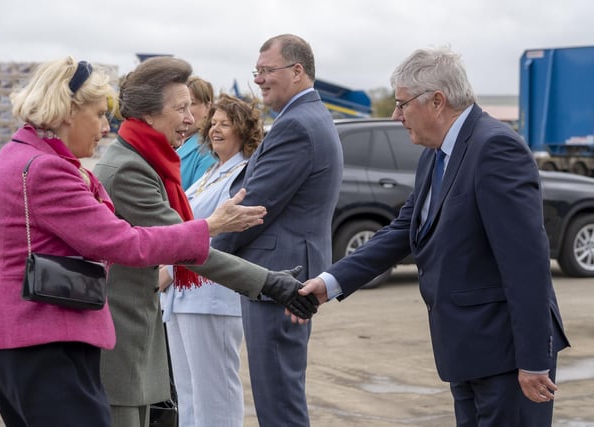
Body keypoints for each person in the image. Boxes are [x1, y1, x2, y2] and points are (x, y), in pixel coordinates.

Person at [0, 57, 269, 427]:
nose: (106, 125)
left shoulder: (23, 155)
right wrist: (211, 226)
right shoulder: (47, 169)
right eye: (97, 114)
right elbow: (124, 243)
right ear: (67, 112)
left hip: (27, 341)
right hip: (44, 342)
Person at [296, 47, 570, 427]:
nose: (395, 115)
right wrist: (330, 283)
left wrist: (533, 359)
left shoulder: (495, 148)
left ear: (437, 101)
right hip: (466, 350)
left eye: (402, 104)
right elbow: (402, 231)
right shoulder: (435, 154)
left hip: (507, 356)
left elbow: (527, 262)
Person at [92, 56, 317, 427]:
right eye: (180, 109)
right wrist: (269, 281)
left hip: (142, 325)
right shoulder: (132, 168)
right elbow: (185, 247)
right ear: (148, 115)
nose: (192, 120)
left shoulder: (148, 160)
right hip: (125, 334)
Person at [211, 34, 343, 427]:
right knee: (277, 393)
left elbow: (251, 207)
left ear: (298, 71)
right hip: (281, 271)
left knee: (278, 401)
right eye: (257, 72)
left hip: (278, 277)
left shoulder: (297, 126)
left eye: (267, 71)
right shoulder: (303, 118)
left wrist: (205, 257)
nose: (259, 80)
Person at [160, 93, 263, 427]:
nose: (216, 129)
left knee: (214, 394)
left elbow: (224, 232)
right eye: (213, 123)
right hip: (180, 296)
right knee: (188, 394)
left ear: (243, 130)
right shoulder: (210, 173)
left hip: (212, 295)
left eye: (226, 124)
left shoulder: (243, 174)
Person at [177, 76, 217, 190]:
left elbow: (197, 199)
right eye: (181, 104)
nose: (185, 109)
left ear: (208, 107)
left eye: (192, 103)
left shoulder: (209, 150)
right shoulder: (172, 141)